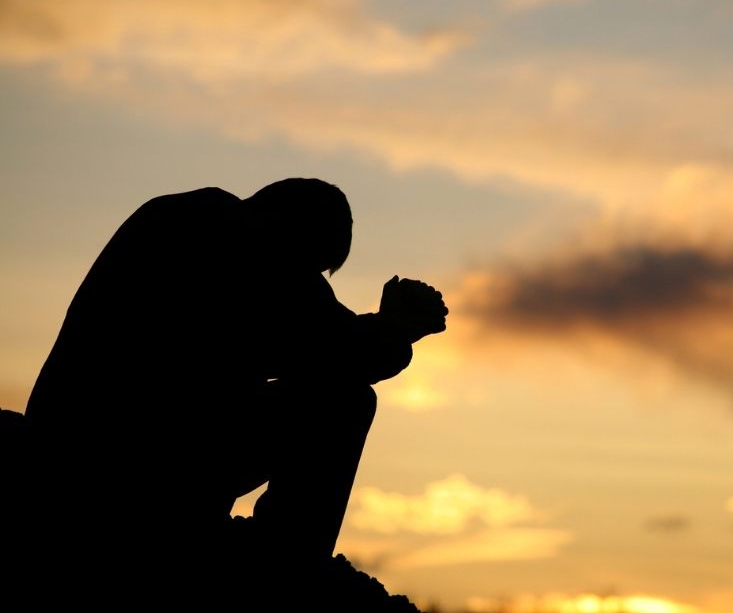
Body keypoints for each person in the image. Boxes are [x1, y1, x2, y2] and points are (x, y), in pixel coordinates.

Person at [20, 178, 447, 591]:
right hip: (127, 461)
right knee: (344, 402)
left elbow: (318, 339)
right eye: (307, 264)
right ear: (286, 224)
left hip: (88, 440)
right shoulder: (235, 241)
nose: (306, 279)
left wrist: (384, 332)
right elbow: (333, 348)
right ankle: (284, 569)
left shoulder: (189, 221)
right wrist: (393, 329)